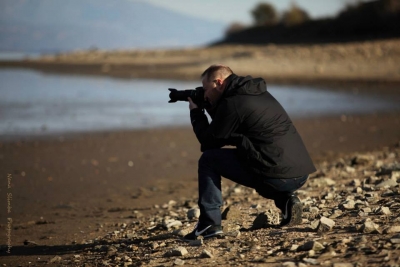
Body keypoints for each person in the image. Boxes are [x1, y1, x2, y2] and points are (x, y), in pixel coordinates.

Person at [184, 64, 316, 240]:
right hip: (300, 173)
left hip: (278, 178)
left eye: (206, 89)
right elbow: (227, 130)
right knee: (256, 156)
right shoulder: (255, 93)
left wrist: (196, 113)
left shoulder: (234, 103)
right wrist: (210, 105)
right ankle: (287, 202)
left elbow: (209, 142)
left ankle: (209, 224)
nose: (204, 94)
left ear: (219, 82)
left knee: (208, 159)